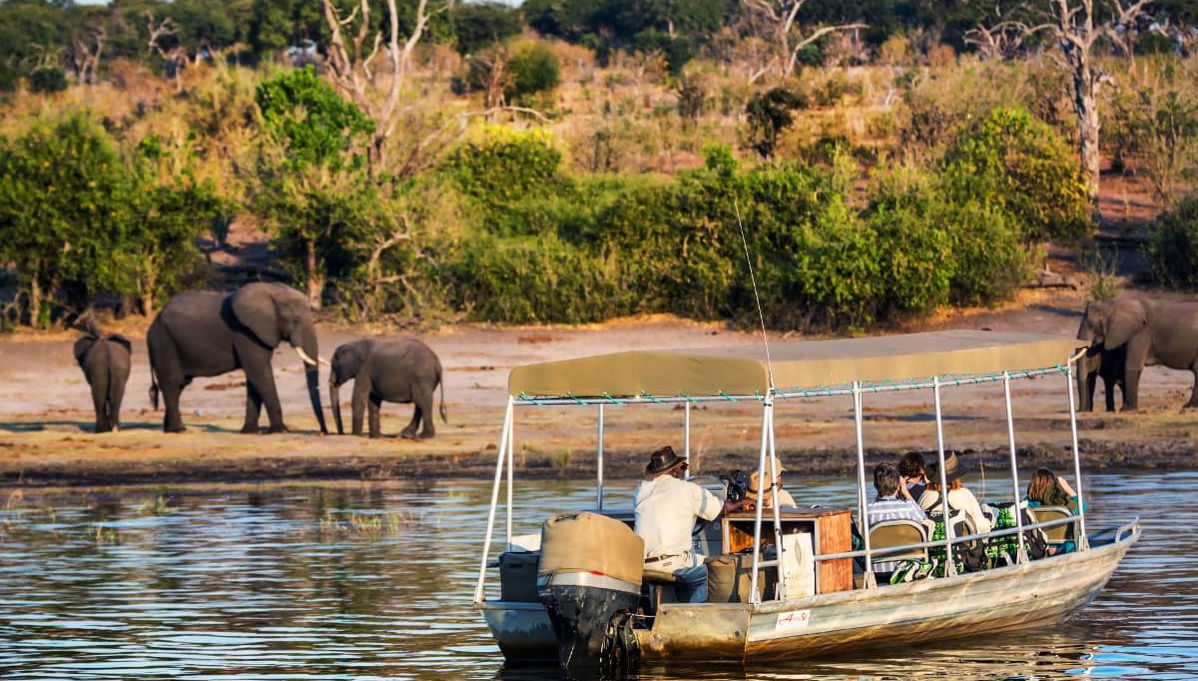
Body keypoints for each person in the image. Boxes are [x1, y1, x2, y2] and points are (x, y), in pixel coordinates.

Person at [633, 446, 746, 603]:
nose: (682, 472)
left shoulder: (641, 491)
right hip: (672, 564)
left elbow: (668, 512)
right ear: (674, 471)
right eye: (681, 468)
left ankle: (664, 609)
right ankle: (693, 611)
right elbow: (722, 508)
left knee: (691, 563)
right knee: (716, 571)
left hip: (642, 565)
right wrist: (742, 502)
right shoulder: (687, 490)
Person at [866, 462, 929, 578]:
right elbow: (925, 519)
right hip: (907, 570)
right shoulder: (909, 507)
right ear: (898, 484)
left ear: (875, 485)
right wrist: (905, 492)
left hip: (877, 572)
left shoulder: (867, 510)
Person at [918, 453, 992, 535]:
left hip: (932, 542)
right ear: (957, 475)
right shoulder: (964, 493)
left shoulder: (925, 494)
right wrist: (988, 521)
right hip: (963, 542)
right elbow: (982, 527)